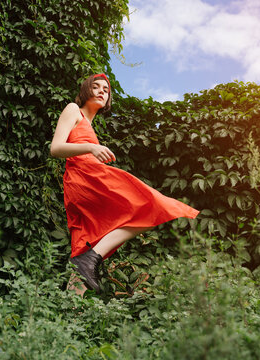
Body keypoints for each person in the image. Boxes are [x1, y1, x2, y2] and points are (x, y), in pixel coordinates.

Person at [50, 74, 199, 294]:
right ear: (85, 90)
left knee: (81, 247)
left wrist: (91, 147)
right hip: (87, 178)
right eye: (96, 86)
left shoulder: (90, 125)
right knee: (152, 205)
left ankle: (71, 314)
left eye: (106, 90)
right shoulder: (73, 109)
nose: (102, 91)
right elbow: (55, 148)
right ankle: (92, 258)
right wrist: (90, 148)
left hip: (84, 181)